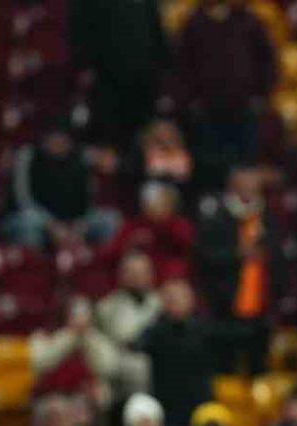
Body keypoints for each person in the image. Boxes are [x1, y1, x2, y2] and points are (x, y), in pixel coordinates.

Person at [177, 0, 278, 181]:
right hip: (207, 113)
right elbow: (182, 66)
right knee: (211, 169)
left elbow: (268, 60)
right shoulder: (194, 23)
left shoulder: (249, 21)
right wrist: (191, 102)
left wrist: (261, 97)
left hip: (245, 109)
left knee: (246, 166)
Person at [1, 122, 121, 250]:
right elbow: (23, 201)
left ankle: (94, 259)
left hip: (70, 223)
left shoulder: (80, 159)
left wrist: (80, 227)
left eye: (62, 139)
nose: (57, 143)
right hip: (35, 218)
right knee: (28, 222)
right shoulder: (28, 155)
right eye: (53, 138)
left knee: (110, 219)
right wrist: (51, 225)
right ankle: (32, 261)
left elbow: (87, 202)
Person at [195, 165, 277, 343]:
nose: (249, 187)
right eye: (244, 183)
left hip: (262, 299)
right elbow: (204, 253)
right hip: (224, 299)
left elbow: (277, 252)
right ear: (232, 185)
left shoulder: (268, 213)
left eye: (253, 183)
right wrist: (236, 253)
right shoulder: (216, 215)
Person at [69, 0, 167, 146]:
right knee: (113, 136)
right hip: (107, 78)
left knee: (145, 134)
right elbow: (80, 30)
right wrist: (85, 65)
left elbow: (156, 30)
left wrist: (163, 68)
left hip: (144, 76)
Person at [136, 280, 218, 426]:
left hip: (199, 409)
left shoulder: (204, 330)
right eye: (170, 299)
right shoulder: (156, 331)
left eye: (180, 298)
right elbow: (137, 345)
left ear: (191, 300)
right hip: (168, 414)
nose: (175, 303)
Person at [30, 295, 119, 409]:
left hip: (83, 396)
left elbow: (109, 367)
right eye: (75, 315)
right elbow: (41, 362)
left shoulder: (95, 339)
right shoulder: (45, 336)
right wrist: (69, 335)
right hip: (52, 395)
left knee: (102, 396)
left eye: (85, 315)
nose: (80, 320)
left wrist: (89, 338)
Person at [94, 250, 163, 397]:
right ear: (121, 275)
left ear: (151, 274)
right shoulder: (106, 307)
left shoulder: (161, 303)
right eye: (131, 271)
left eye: (142, 271)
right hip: (120, 369)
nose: (137, 276)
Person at [105, 182, 196, 284]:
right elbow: (110, 253)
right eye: (149, 201)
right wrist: (130, 242)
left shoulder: (180, 225)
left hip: (169, 281)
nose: (152, 205)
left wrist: (161, 226)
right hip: (134, 282)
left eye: (160, 201)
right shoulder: (134, 225)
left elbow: (185, 245)